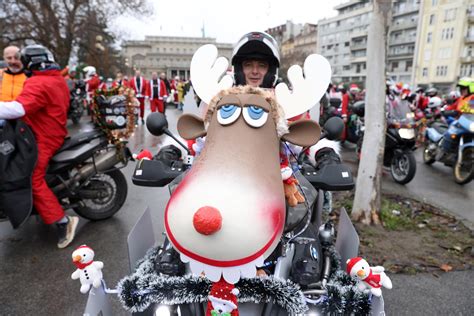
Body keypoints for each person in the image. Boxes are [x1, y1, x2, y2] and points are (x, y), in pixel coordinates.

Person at [0, 44, 78, 248]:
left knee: (32, 177)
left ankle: (63, 220)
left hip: (43, 136)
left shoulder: (38, 82)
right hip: (47, 131)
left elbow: (19, 108)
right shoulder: (55, 77)